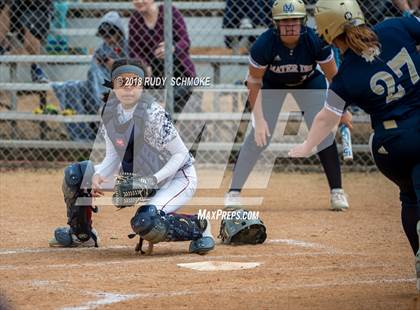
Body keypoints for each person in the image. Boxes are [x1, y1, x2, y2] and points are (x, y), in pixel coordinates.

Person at [289, 0, 420, 288]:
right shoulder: (394, 26)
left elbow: (326, 119)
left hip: (392, 146)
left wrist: (306, 146)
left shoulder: (344, 76)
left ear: (326, 32)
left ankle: (419, 260)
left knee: (410, 198)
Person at [49, 59, 215, 255]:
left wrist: (152, 180)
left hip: (176, 178)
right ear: (113, 85)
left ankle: (200, 227)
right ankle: (82, 236)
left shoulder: (153, 114)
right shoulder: (110, 112)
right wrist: (98, 176)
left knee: (146, 222)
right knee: (77, 175)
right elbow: (113, 156)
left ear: (143, 85)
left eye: (134, 82)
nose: (128, 88)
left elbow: (180, 155)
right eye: (122, 82)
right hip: (140, 175)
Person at [225, 0, 351, 211]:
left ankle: (336, 191)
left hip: (309, 82)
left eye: (294, 20)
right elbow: (254, 83)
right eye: (284, 21)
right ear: (275, 23)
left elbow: (333, 77)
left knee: (322, 133)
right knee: (258, 136)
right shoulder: (264, 44)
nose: (290, 25)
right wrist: (259, 119)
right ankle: (233, 192)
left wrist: (343, 110)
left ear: (303, 21)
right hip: (272, 85)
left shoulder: (315, 40)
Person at [52, 11, 129, 140]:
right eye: (104, 35)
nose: (107, 38)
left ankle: (104, 103)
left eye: (111, 34)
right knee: (79, 82)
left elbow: (135, 67)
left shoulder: (128, 45)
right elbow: (94, 68)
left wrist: (115, 64)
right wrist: (101, 63)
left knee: (96, 74)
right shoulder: (102, 48)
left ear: (119, 32)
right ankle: (102, 103)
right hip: (101, 83)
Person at [129, 0, 195, 113]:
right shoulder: (135, 20)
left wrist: (172, 48)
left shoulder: (170, 12)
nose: (139, 1)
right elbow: (133, 51)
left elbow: (185, 41)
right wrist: (144, 66)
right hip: (152, 76)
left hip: (179, 72)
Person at [8, 0, 53, 82]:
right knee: (6, 6)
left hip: (38, 9)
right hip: (15, 9)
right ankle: (2, 47)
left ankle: (35, 68)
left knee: (29, 23)